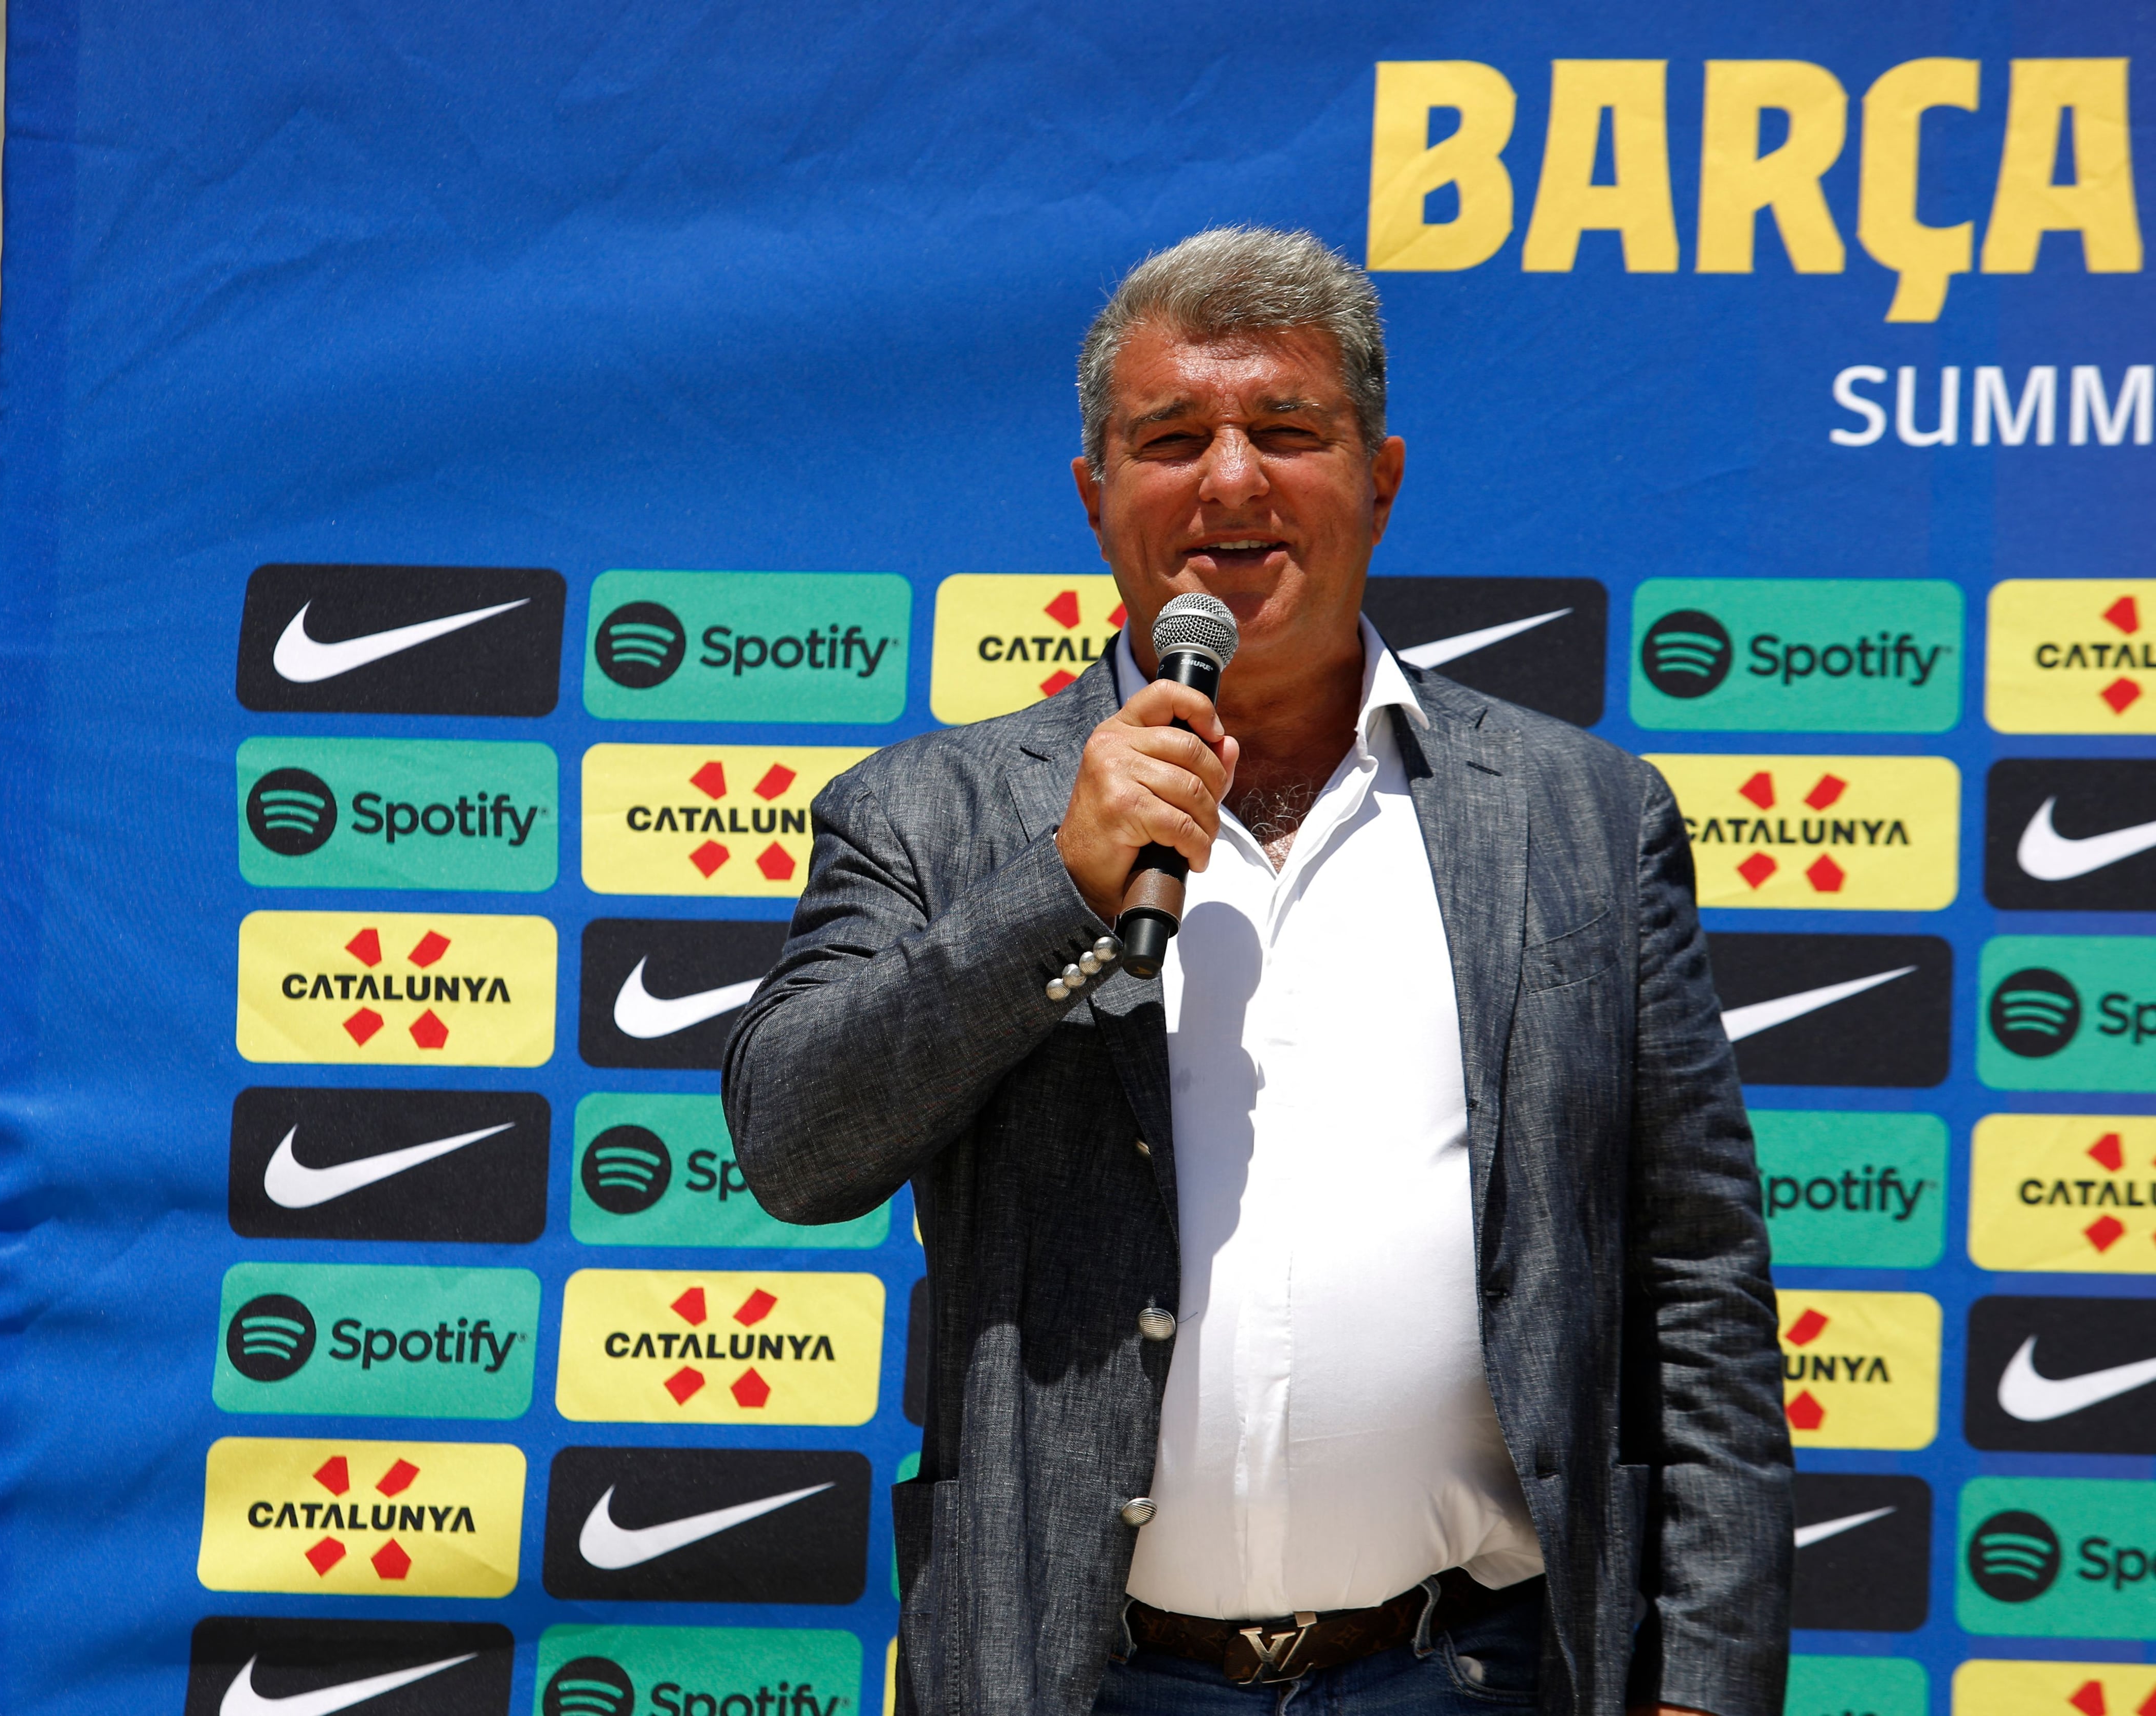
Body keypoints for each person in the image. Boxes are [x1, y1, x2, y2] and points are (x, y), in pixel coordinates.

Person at [724, 227, 1789, 1716]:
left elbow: (1698, 1283)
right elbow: (794, 1143)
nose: (1231, 481)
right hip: (1085, 1679)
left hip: (1478, 1669)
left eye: (1287, 430)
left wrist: (1708, 1678)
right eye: (1172, 439)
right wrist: (1057, 887)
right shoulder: (931, 812)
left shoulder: (1586, 819)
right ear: (1096, 491)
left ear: (1382, 476)